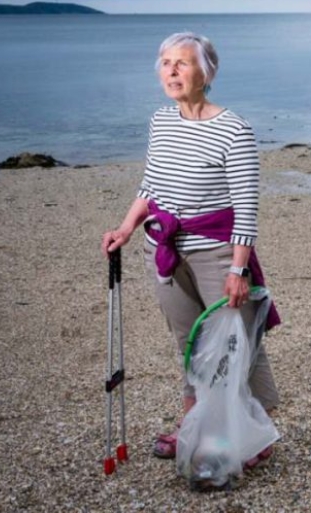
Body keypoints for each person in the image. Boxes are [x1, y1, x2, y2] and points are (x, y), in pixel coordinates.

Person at [101, 32, 279, 466]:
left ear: (207, 73)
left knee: (234, 342)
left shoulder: (234, 130)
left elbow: (246, 209)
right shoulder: (161, 121)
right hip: (162, 247)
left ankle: (256, 430)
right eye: (165, 63)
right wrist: (126, 227)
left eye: (182, 63)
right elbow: (151, 184)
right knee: (191, 341)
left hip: (217, 253)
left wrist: (238, 270)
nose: (172, 71)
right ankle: (192, 423)